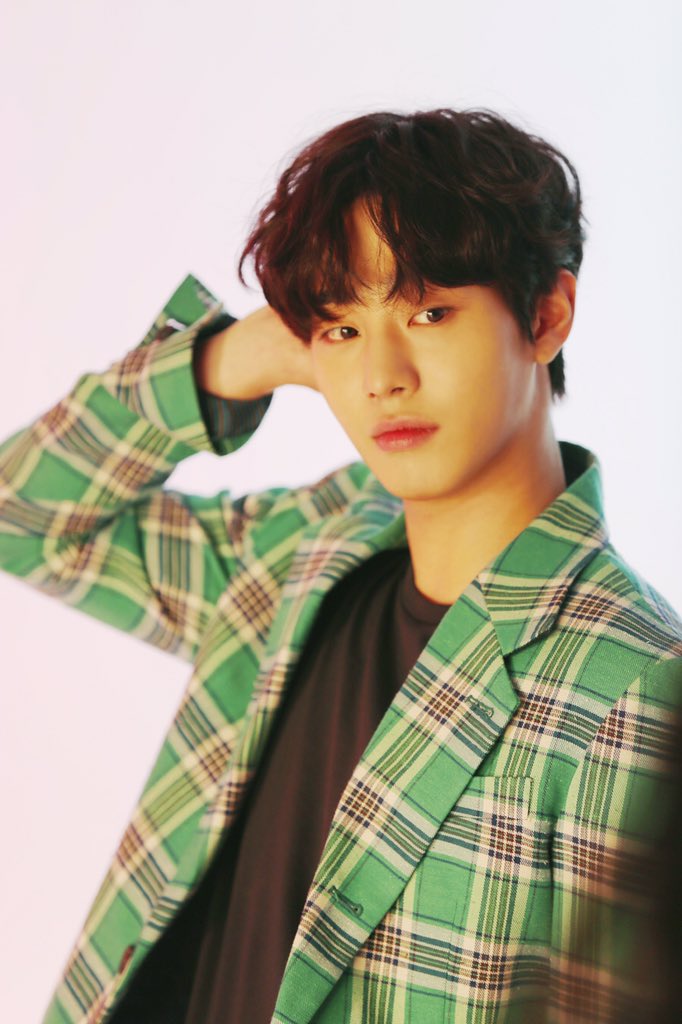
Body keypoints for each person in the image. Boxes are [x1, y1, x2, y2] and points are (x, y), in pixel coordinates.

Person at [1, 107, 681, 1024]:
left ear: (547, 315)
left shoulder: (635, 687)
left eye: (430, 312)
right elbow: (24, 517)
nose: (381, 377)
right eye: (340, 329)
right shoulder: (305, 552)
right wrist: (225, 361)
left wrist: (348, 319)